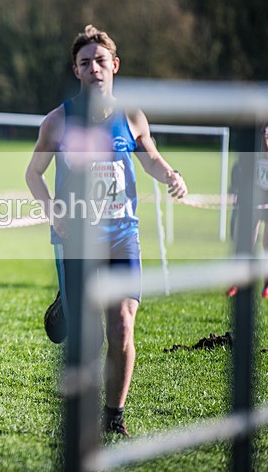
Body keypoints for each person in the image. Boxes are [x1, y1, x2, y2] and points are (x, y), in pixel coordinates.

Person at [25, 25, 188, 436]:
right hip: (77, 237)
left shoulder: (131, 116)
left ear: (114, 65)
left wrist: (170, 174)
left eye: (100, 61)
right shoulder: (58, 121)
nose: (94, 68)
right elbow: (33, 174)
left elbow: (150, 159)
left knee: (122, 326)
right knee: (89, 337)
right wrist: (53, 211)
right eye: (85, 63)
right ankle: (67, 304)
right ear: (76, 71)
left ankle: (113, 417)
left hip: (121, 236)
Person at [227, 114, 268, 299]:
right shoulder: (256, 135)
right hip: (256, 195)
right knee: (247, 239)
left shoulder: (266, 135)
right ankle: (237, 282)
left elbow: (267, 151)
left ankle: (267, 287)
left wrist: (266, 131)